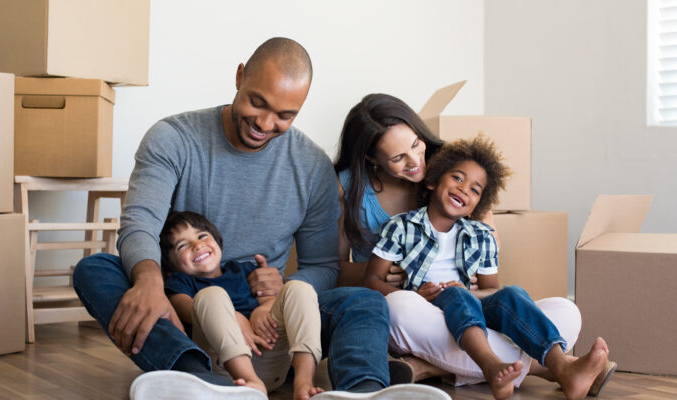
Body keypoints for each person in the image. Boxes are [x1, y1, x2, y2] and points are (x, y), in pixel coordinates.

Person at [73, 38, 449, 400]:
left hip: (272, 327)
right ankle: (196, 377)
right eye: (258, 103)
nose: (266, 124)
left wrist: (280, 292)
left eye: (285, 115)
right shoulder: (173, 138)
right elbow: (140, 221)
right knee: (96, 270)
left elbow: (321, 264)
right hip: (185, 307)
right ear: (240, 77)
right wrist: (150, 281)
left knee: (365, 302)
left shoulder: (312, 166)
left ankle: (363, 390)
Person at [333, 93, 614, 395]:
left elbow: (490, 278)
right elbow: (335, 270)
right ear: (371, 159)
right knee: (400, 306)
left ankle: (426, 367)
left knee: (565, 311)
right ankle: (549, 368)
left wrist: (472, 289)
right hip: (413, 309)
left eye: (415, 144)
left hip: (469, 306)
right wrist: (389, 275)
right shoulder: (380, 211)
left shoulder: (456, 171)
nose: (417, 162)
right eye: (399, 157)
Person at [160, 210, 323, 399]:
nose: (197, 245)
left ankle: (304, 382)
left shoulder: (242, 269)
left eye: (202, 236)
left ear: (217, 239)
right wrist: (234, 318)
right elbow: (186, 309)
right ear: (171, 265)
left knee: (298, 288)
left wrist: (263, 309)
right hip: (226, 367)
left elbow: (269, 299)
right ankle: (250, 381)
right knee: (210, 295)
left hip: (270, 355)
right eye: (182, 246)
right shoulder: (181, 283)